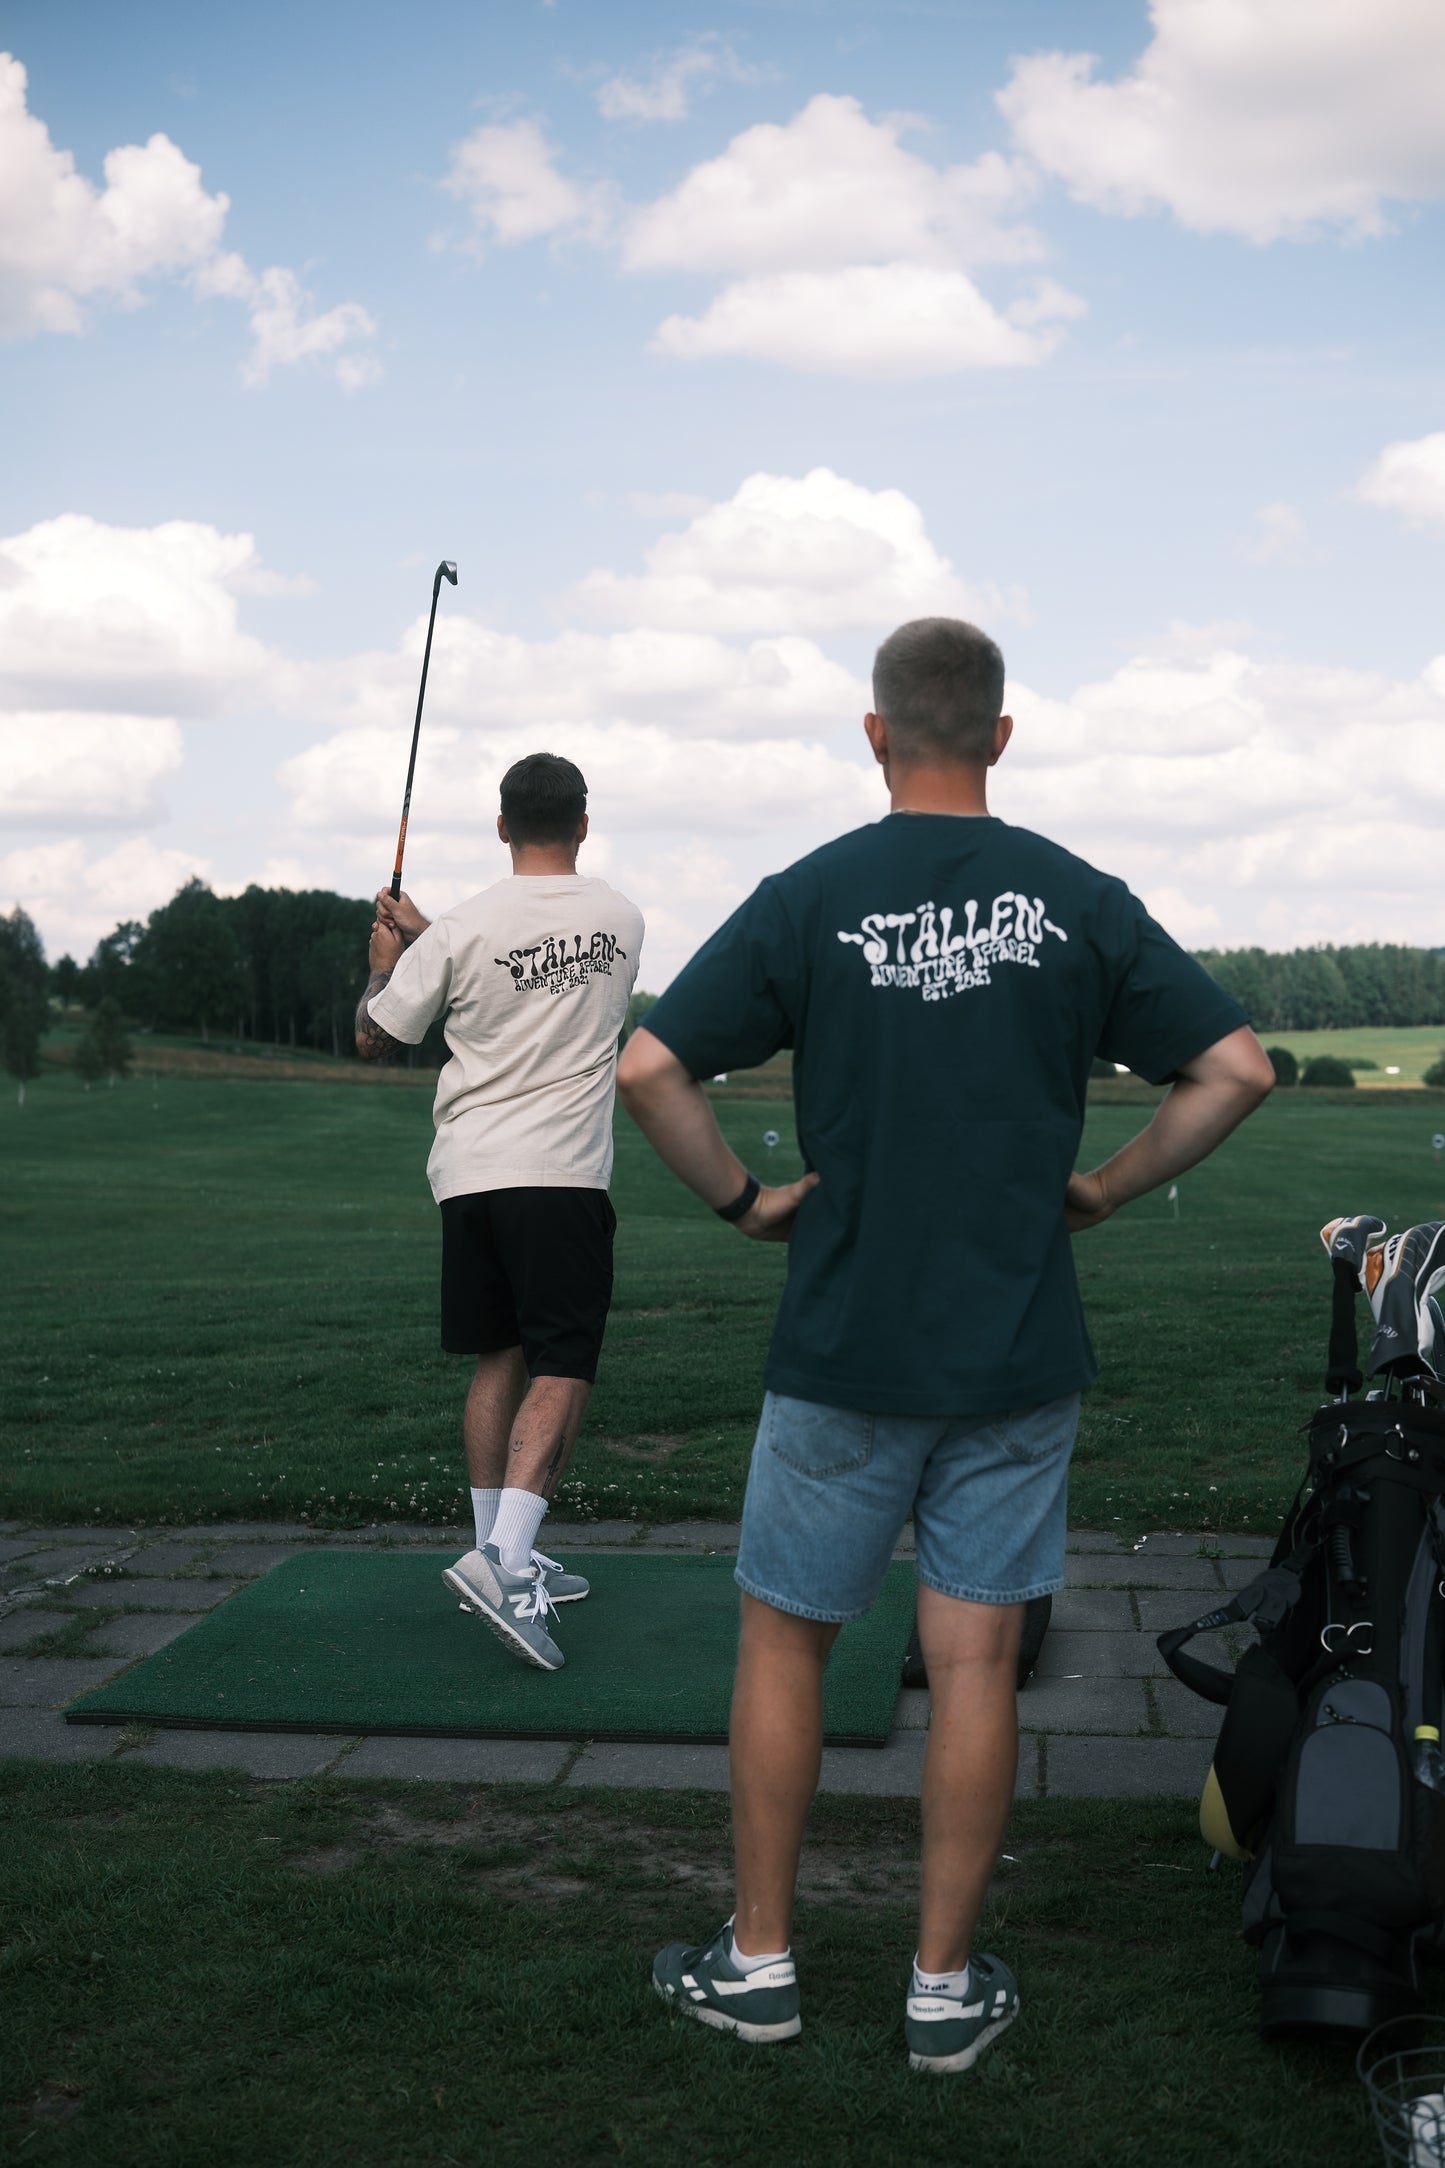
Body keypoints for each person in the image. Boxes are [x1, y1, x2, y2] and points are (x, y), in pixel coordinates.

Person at [616, 617, 1274, 2070]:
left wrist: (741, 1201)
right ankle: (939, 1991)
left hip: (844, 1341)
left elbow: (652, 1064)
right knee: (974, 1666)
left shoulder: (812, 895)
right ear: (1000, 733)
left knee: (787, 1645)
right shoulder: (1075, 897)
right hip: (1015, 1350)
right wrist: (1100, 1187)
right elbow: (1236, 1068)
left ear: (873, 735)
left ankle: (761, 1967)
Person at [357, 751, 644, 1672]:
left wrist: (386, 964)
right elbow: (544, 975)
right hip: (558, 1175)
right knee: (564, 1363)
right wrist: (429, 941)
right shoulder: (621, 918)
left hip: (471, 1177)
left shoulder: (463, 931)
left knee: (503, 1356)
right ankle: (507, 1562)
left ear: (501, 825)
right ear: (583, 825)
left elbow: (376, 1035)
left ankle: (495, 1551)